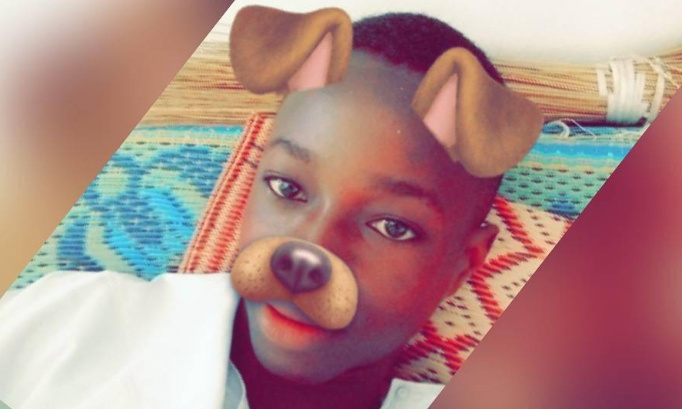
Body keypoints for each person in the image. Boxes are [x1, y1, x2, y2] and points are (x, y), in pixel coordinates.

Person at [0, 8, 542, 409]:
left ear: (462, 267)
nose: (309, 252)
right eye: (287, 188)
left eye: (391, 226)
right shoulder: (70, 327)